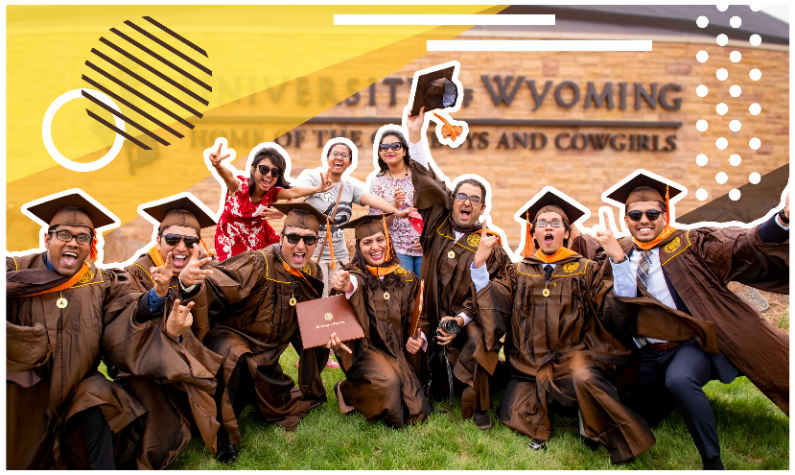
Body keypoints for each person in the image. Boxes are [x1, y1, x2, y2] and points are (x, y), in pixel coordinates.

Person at [586, 172, 789, 470]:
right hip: (649, 353)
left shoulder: (691, 244)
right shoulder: (622, 250)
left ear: (665, 215)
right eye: (636, 215)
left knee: (680, 380)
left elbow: (742, 243)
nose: (644, 220)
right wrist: (617, 258)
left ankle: (712, 461)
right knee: (646, 412)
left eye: (652, 213)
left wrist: (782, 219)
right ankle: (660, 405)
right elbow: (622, 302)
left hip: (689, 346)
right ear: (626, 219)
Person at [6, 191, 214, 469]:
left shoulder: (99, 282)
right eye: (64, 234)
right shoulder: (15, 272)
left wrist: (158, 293)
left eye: (83, 237)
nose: (73, 243)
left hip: (76, 392)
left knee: (98, 392)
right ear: (48, 238)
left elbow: (128, 308)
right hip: (26, 393)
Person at [471, 191, 655, 464]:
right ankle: (575, 405)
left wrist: (617, 259)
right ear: (533, 234)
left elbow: (618, 305)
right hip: (528, 366)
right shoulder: (519, 270)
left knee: (585, 377)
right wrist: (479, 264)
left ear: (567, 233)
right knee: (512, 409)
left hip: (572, 359)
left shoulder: (586, 270)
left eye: (555, 223)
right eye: (541, 223)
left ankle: (603, 427)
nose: (547, 226)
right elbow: (493, 302)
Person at [392, 108, 511, 429]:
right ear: (453, 199)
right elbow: (428, 178)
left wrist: (462, 318)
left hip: (466, 318)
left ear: (482, 208)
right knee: (412, 340)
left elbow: (501, 293)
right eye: (461, 195)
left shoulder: (491, 244)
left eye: (475, 199)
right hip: (430, 314)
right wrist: (415, 136)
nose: (466, 202)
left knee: (476, 338)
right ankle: (428, 387)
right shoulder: (437, 223)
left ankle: (479, 401)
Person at [192, 203, 331, 463]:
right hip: (231, 339)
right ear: (281, 237)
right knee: (233, 355)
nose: (300, 246)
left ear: (316, 242)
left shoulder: (312, 272)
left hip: (265, 357)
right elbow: (215, 282)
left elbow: (307, 326)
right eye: (293, 238)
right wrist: (189, 283)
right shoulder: (259, 262)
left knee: (271, 392)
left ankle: (241, 399)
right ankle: (222, 434)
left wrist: (325, 337)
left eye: (309, 239)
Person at [117, 193, 228, 468]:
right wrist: (159, 294)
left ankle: (218, 429)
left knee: (228, 358)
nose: (181, 247)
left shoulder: (201, 270)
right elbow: (129, 316)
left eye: (190, 241)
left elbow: (207, 320)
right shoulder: (136, 271)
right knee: (161, 421)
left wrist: (189, 287)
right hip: (146, 364)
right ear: (158, 240)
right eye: (172, 240)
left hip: (189, 356)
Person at [326, 213, 430, 427]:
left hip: (396, 350)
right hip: (365, 349)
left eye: (380, 239)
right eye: (367, 242)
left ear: (388, 241)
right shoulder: (354, 275)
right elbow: (352, 285)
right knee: (390, 386)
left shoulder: (406, 278)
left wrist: (418, 336)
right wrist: (345, 285)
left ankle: (367, 386)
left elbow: (419, 315)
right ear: (358, 246)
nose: (375, 247)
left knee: (417, 409)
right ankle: (345, 390)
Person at [293, 138, 413, 298]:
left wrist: (395, 210)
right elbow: (295, 204)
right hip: (313, 255)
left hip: (339, 255)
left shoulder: (350, 186)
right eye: (335, 154)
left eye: (344, 155)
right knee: (314, 301)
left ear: (349, 162)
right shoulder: (313, 177)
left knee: (338, 301)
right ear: (327, 158)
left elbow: (373, 199)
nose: (339, 157)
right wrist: (315, 190)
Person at [206, 140, 334, 261]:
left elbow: (293, 193)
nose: (268, 175)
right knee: (235, 271)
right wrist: (218, 166)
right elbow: (229, 177)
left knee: (276, 261)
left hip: (256, 235)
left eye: (274, 172)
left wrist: (318, 189)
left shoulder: (271, 193)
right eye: (264, 169)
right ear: (253, 169)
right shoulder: (240, 188)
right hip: (231, 236)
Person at [368, 128, 424, 275]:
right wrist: (394, 208)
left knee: (425, 293)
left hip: (424, 245)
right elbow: (378, 225)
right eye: (384, 147)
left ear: (404, 151)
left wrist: (428, 238)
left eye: (395, 146)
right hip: (397, 249)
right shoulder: (378, 183)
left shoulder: (419, 176)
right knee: (404, 293)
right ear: (380, 152)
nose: (389, 150)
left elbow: (434, 208)